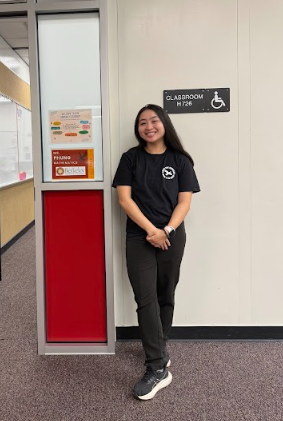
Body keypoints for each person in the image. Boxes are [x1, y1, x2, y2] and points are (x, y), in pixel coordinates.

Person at [112, 104, 200, 400]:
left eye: (153, 121)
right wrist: (152, 230)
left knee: (166, 294)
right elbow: (125, 200)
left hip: (172, 237)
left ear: (164, 124)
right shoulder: (130, 159)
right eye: (142, 123)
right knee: (145, 298)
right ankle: (157, 368)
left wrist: (167, 231)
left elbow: (184, 203)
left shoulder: (180, 160)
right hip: (140, 237)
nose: (148, 127)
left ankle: (159, 348)